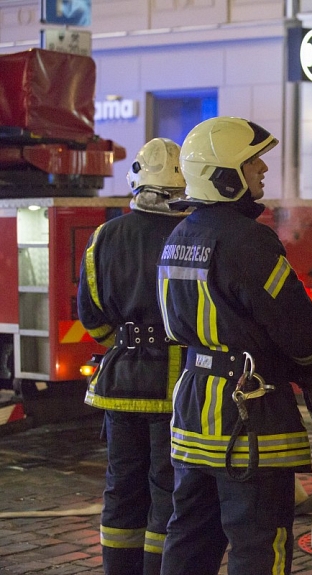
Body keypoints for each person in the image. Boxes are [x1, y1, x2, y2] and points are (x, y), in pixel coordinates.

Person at [156, 116, 312, 575]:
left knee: (189, 535)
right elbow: (296, 325)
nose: (262, 168)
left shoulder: (178, 236)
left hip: (193, 406)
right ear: (224, 177)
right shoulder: (250, 240)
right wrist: (311, 370)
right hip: (249, 413)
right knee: (260, 542)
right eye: (251, 161)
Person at [77, 137, 189, 575]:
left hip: (119, 384)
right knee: (167, 490)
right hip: (173, 384)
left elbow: (91, 315)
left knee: (121, 489)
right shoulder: (190, 234)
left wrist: (125, 342)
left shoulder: (105, 236)